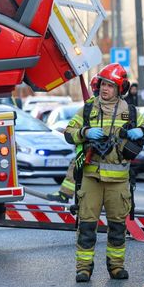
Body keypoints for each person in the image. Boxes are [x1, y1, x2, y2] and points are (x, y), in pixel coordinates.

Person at [64, 63, 144, 283]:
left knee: (117, 226)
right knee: (86, 224)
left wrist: (140, 130)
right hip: (91, 178)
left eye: (111, 86)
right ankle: (83, 268)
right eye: (103, 84)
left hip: (118, 180)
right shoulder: (88, 109)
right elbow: (69, 133)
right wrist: (86, 132)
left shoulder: (130, 111)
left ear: (120, 88)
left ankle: (116, 267)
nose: (105, 89)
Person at [47, 75, 100, 203]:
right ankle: (67, 195)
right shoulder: (92, 105)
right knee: (76, 171)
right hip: (86, 147)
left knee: (76, 172)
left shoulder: (93, 105)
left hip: (90, 148)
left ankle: (65, 195)